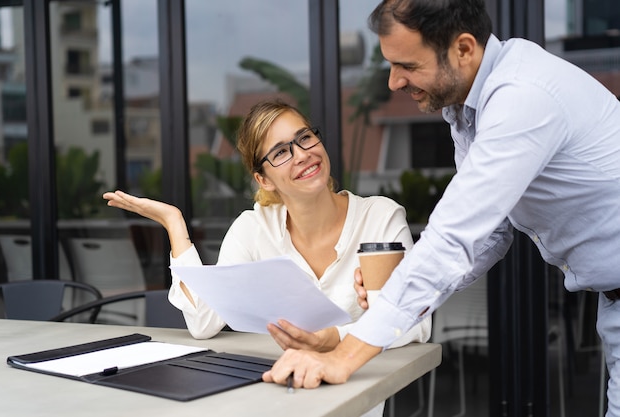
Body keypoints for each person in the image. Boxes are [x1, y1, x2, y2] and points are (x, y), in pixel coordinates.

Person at [262, 1, 620, 415]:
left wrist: (345, 358)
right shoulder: (467, 107)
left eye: (407, 65)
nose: (394, 81)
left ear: (463, 49)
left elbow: (454, 236)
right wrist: (400, 284)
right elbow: (492, 232)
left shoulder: (522, 97)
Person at [103, 99, 431, 417]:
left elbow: (415, 321)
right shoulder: (253, 229)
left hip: (349, 402)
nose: (303, 154)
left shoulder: (379, 218)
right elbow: (203, 324)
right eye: (280, 152)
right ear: (264, 179)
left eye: (304, 137)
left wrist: (331, 339)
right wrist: (175, 225)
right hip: (269, 401)